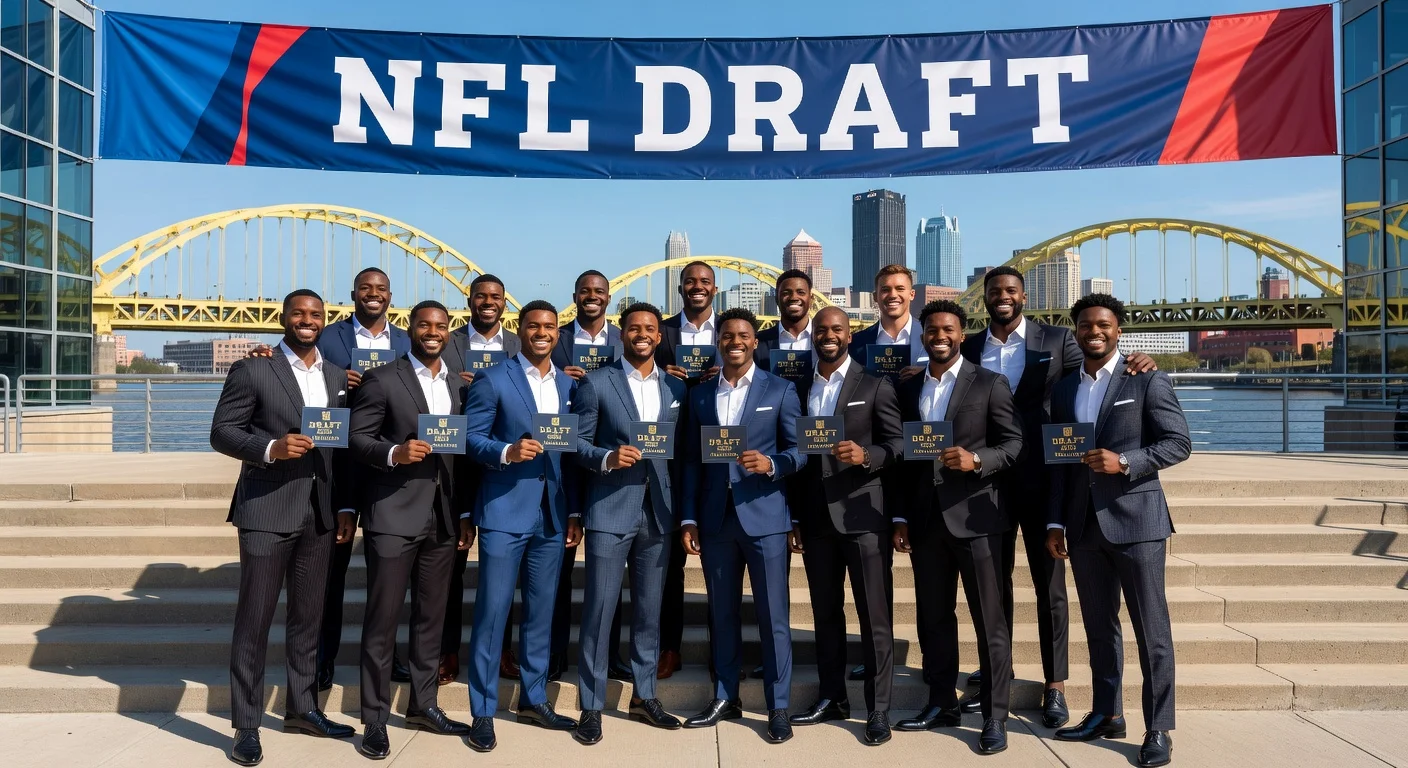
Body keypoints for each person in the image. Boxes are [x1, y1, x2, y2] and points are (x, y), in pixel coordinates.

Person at [958, 266, 1155, 720]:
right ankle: (996, 677)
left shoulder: (1056, 339)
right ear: (984, 299)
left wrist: (1137, 359)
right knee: (993, 586)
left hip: (1045, 479)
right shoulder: (969, 347)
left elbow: (1096, 370)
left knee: (1050, 587)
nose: (1002, 297)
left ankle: (1054, 684)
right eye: (994, 292)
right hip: (984, 481)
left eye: (1010, 290)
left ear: (1023, 296)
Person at [210, 289, 356, 766]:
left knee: (308, 620)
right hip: (267, 510)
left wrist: (342, 507)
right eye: (299, 314)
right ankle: (246, 725)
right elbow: (223, 431)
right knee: (254, 621)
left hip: (318, 513)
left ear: (325, 320)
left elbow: (342, 445)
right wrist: (271, 448)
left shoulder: (336, 376)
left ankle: (303, 708)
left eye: (316, 315)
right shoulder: (254, 367)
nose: (307, 321)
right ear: (284, 318)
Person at [1047, 293, 1190, 768]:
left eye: (1104, 324)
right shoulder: (1066, 389)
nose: (1095, 331)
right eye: (1086, 325)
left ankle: (1159, 727)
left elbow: (1178, 444)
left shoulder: (1146, 378)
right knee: (1099, 628)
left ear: (1118, 330)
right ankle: (1107, 712)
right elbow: (1062, 466)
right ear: (1076, 331)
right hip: (1084, 525)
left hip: (1138, 521)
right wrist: (1056, 521)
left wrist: (1126, 461)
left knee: (1152, 629)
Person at [892, 300, 1021, 755]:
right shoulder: (908, 388)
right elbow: (904, 463)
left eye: (947, 329)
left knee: (990, 620)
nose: (939, 336)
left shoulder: (990, 383)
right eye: (931, 330)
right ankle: (941, 701)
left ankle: (995, 715)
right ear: (922, 336)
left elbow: (1014, 444)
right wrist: (902, 516)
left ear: (961, 334)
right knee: (933, 618)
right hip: (926, 522)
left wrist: (978, 460)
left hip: (978, 519)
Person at [348, 300, 471, 758]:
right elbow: (357, 439)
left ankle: (423, 705)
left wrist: (462, 514)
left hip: (441, 517)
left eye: (441, 326)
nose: (433, 332)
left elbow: (460, 457)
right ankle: (375, 719)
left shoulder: (458, 385)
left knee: (430, 621)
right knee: (382, 621)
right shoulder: (383, 378)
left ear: (448, 332)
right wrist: (395, 453)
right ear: (411, 329)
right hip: (393, 516)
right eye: (425, 324)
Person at [679, 308, 805, 744]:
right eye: (728, 334)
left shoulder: (781, 389)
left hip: (765, 516)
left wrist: (772, 463)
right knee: (722, 613)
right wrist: (690, 516)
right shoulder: (699, 395)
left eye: (744, 335)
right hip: (716, 519)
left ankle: (779, 706)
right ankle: (724, 695)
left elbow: (800, 451)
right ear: (719, 341)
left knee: (774, 617)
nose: (735, 341)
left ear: (755, 342)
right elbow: (693, 462)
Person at [461, 300, 580, 752]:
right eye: (534, 326)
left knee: (541, 613)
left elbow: (572, 454)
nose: (543, 333)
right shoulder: (494, 378)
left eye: (550, 327)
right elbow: (471, 438)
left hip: (551, 514)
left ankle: (534, 698)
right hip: (505, 511)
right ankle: (483, 711)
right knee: (492, 614)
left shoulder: (569, 383)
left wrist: (572, 513)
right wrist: (507, 452)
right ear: (520, 329)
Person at [568, 302, 688, 744]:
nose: (642, 334)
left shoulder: (676, 390)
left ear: (659, 336)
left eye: (650, 329)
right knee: (599, 611)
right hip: (610, 508)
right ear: (622, 334)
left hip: (658, 512)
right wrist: (605, 457)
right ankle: (592, 705)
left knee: (649, 614)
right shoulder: (597, 383)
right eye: (634, 328)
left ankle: (644, 695)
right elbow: (576, 444)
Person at [786, 307, 903, 746]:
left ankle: (879, 709)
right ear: (812, 337)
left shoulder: (875, 385)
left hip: (863, 518)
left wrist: (867, 455)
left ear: (850, 334)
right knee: (826, 615)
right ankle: (832, 696)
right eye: (822, 330)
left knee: (874, 617)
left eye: (837, 329)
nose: (828, 336)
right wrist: (796, 516)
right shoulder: (799, 387)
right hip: (816, 520)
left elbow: (898, 446)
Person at [314, 266, 412, 692]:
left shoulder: (407, 340)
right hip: (338, 463)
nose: (374, 295)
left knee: (389, 579)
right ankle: (321, 661)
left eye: (381, 289)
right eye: (366, 289)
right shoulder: (329, 337)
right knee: (329, 577)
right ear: (353, 293)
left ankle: (386, 661)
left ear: (391, 296)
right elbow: (299, 372)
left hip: (389, 466)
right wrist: (336, 379)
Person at [548, 269, 629, 684]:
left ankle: (610, 656)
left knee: (608, 578)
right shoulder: (555, 339)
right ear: (575, 295)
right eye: (585, 291)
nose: (592, 297)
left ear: (609, 297)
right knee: (557, 570)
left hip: (608, 468)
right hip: (563, 461)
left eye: (599, 291)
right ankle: (554, 652)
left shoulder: (623, 340)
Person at [442, 273, 521, 685]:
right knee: (449, 565)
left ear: (505, 303)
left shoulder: (518, 345)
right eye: (481, 296)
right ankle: (447, 652)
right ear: (469, 300)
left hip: (502, 466)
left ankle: (502, 651)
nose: (488, 302)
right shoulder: (448, 342)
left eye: (496, 297)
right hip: (456, 462)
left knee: (502, 571)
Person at [652, 260, 721, 679]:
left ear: (715, 288)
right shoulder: (661, 331)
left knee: (722, 563)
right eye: (690, 281)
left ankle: (723, 652)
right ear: (680, 288)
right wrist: (663, 373)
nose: (697, 287)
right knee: (668, 561)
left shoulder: (730, 330)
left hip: (721, 454)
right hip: (673, 451)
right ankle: (668, 647)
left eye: (705, 282)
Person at [847, 264, 929, 378]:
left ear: (912, 294)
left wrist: (925, 374)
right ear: (875, 297)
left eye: (900, 289)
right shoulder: (855, 343)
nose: (893, 295)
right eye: (885, 289)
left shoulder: (931, 337)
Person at [754, 268, 813, 366]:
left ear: (811, 299)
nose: (794, 297)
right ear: (777, 299)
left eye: (801, 292)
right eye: (786, 293)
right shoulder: (759, 342)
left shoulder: (825, 340)